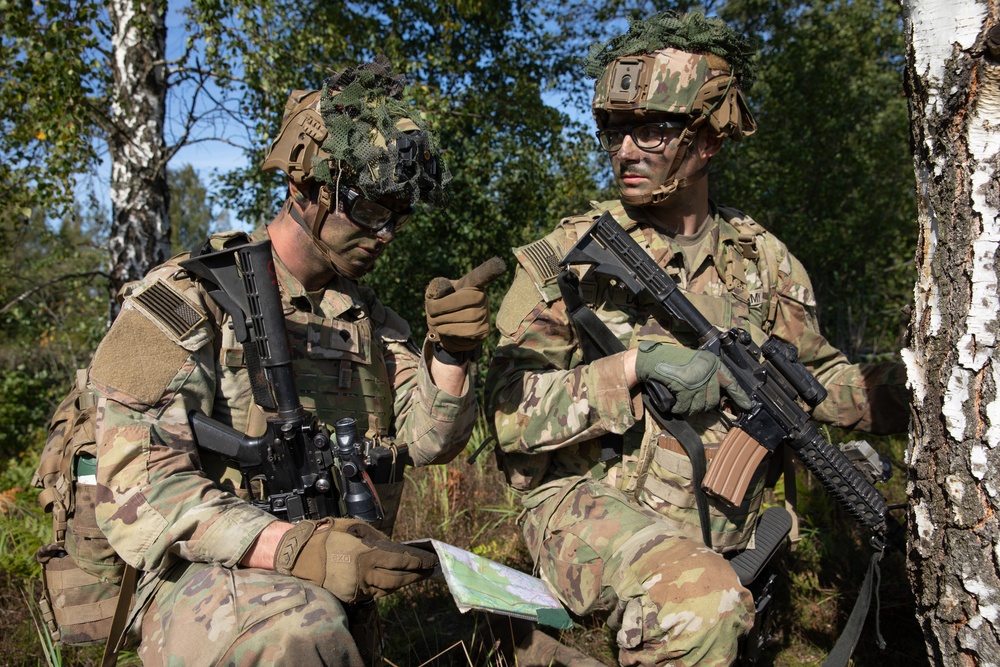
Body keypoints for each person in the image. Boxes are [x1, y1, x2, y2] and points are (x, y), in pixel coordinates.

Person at [485, 12, 909, 666]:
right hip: (589, 511)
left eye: (651, 130)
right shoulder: (564, 261)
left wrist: (918, 390)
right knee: (697, 606)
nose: (625, 151)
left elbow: (824, 379)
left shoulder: (764, 261)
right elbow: (507, 416)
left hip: (715, 526)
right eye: (614, 131)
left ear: (708, 140)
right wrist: (631, 365)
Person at [88, 58, 489, 665]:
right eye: (372, 211)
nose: (386, 235)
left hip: (323, 574)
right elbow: (136, 489)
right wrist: (293, 547)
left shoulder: (369, 322)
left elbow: (431, 442)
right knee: (301, 632)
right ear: (305, 189)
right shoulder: (187, 300)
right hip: (201, 576)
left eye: (398, 218)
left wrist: (454, 355)